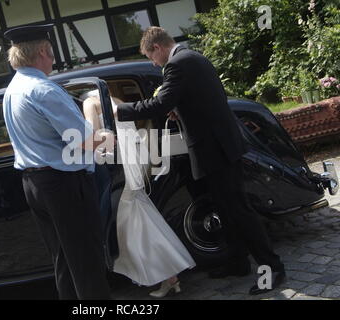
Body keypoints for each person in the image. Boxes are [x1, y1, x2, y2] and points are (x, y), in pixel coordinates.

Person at [116, 27, 286, 295]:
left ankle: (272, 268)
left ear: (158, 48)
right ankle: (238, 261)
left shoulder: (176, 65)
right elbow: (199, 100)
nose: (153, 63)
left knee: (239, 210)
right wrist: (180, 111)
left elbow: (159, 104)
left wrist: (120, 110)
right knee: (225, 208)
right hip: (218, 146)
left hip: (216, 150)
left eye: (151, 57)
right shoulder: (191, 57)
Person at [2, 24, 112, 300]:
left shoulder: (12, 89)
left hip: (35, 182)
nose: (53, 59)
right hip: (62, 184)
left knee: (63, 260)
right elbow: (84, 140)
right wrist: (106, 134)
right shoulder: (43, 90)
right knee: (87, 260)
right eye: (52, 54)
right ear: (42, 51)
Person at [82, 90, 196, 298]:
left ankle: (168, 274)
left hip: (119, 170)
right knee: (139, 219)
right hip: (134, 165)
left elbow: (96, 140)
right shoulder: (116, 100)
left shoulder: (89, 104)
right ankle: (170, 276)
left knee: (134, 225)